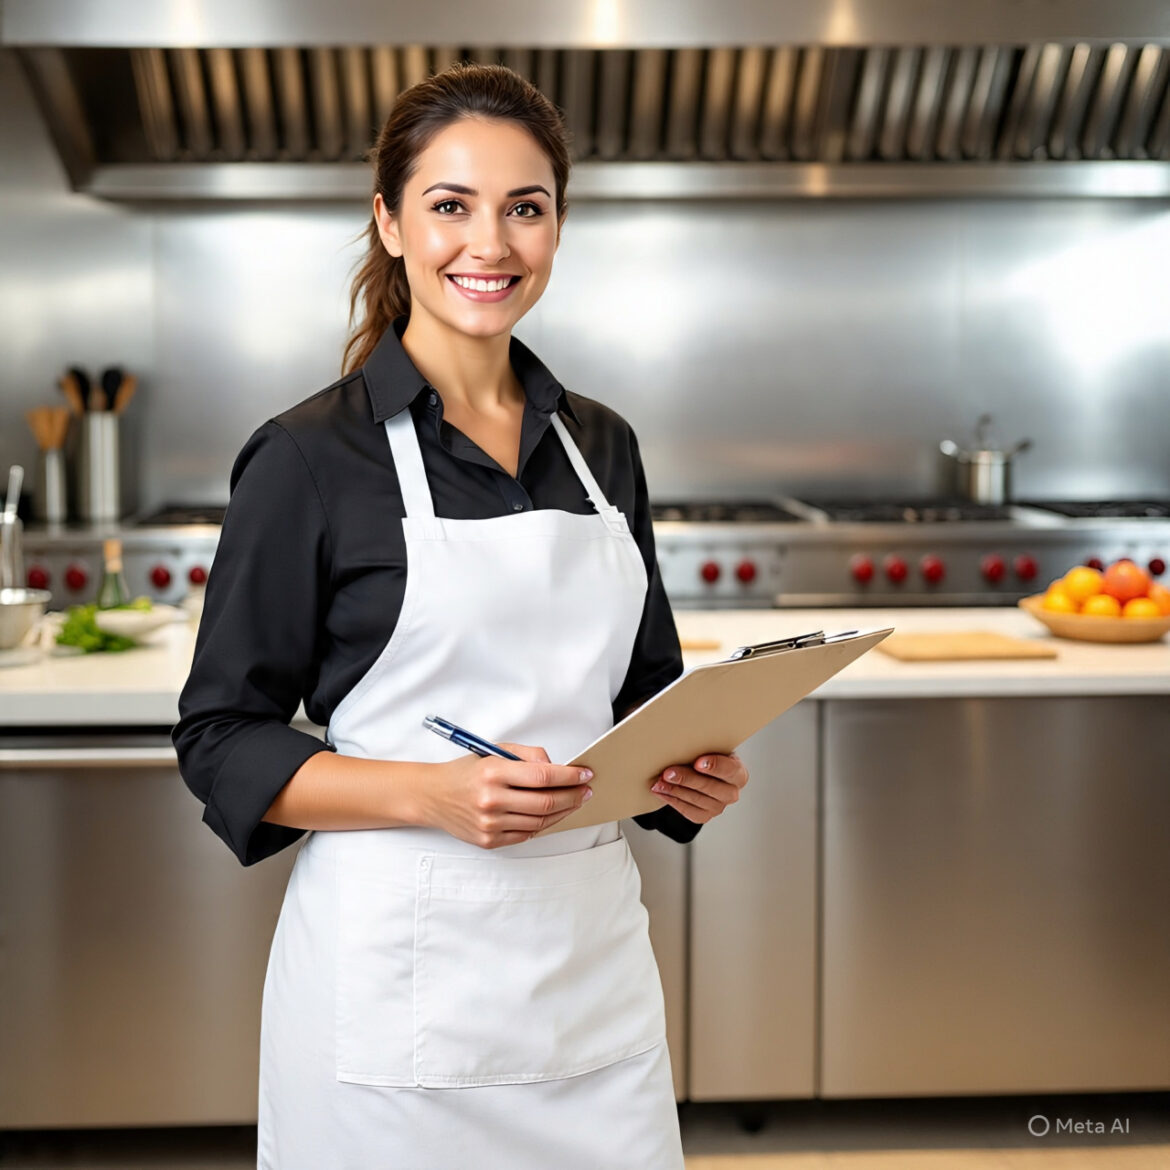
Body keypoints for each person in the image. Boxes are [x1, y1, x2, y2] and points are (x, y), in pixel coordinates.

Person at [173, 62, 749, 1170]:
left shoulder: (604, 447)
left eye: (524, 208)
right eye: (450, 206)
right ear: (389, 222)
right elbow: (220, 739)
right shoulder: (306, 458)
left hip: (592, 986)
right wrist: (430, 794)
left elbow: (641, 695)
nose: (489, 244)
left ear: (558, 227)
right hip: (394, 992)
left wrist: (689, 773)